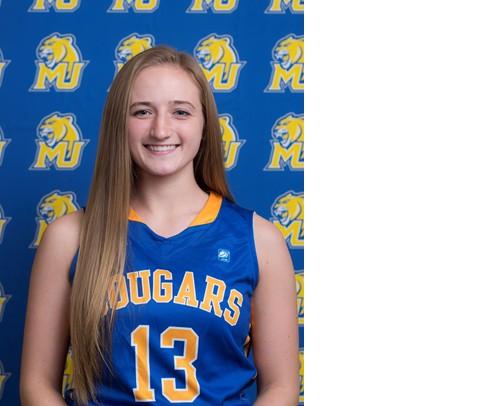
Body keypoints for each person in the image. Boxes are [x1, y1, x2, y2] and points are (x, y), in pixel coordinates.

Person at [19, 46, 299, 405]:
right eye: (142, 111)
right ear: (119, 123)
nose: (161, 129)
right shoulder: (70, 238)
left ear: (204, 125)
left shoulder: (258, 240)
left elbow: (281, 388)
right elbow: (37, 386)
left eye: (180, 111)